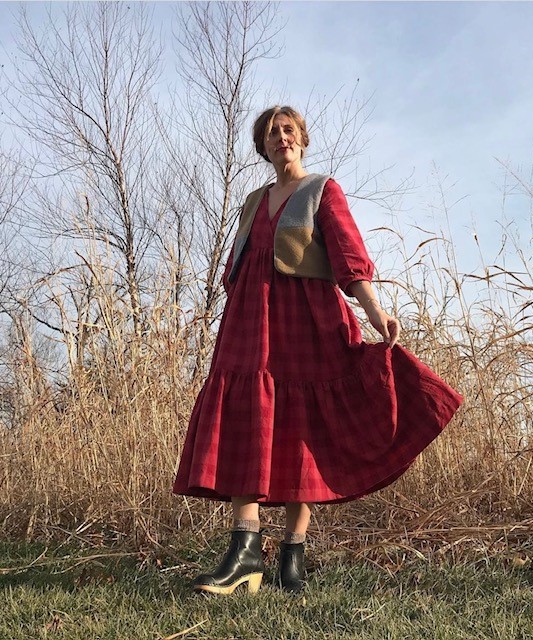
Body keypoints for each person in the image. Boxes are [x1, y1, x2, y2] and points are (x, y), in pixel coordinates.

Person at [173, 105, 463, 595]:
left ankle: (293, 554)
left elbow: (350, 257)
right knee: (248, 414)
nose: (280, 138)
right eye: (271, 134)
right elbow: (237, 268)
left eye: (288, 130)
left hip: (308, 319)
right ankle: (245, 551)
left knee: (302, 425)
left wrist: (375, 311)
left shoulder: (321, 190)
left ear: (302, 140)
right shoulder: (251, 202)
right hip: (251, 320)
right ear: (262, 148)